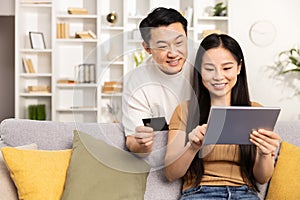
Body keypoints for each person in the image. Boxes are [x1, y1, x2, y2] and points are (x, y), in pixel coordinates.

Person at [164, 33, 281, 199]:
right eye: (209, 69)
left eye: (227, 68)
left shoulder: (255, 111)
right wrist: (193, 146)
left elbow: (262, 178)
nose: (218, 76)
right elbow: (170, 173)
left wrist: (264, 154)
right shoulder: (185, 111)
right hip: (199, 193)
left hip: (244, 193)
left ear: (239, 67)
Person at [122, 7, 194, 156]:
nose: (173, 53)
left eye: (179, 42)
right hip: (167, 156)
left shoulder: (204, 65)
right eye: (162, 46)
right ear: (147, 48)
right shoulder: (136, 81)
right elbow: (132, 140)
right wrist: (143, 145)